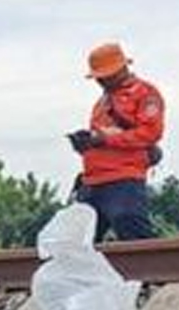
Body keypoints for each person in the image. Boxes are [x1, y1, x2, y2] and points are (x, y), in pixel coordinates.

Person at [69, 41, 164, 242]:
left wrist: (103, 139)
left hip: (124, 178)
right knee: (77, 242)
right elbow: (103, 140)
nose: (100, 82)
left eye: (104, 76)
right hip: (93, 180)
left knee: (130, 229)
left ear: (121, 69)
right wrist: (85, 145)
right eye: (98, 77)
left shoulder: (145, 93)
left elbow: (149, 133)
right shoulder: (102, 102)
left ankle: (151, 270)